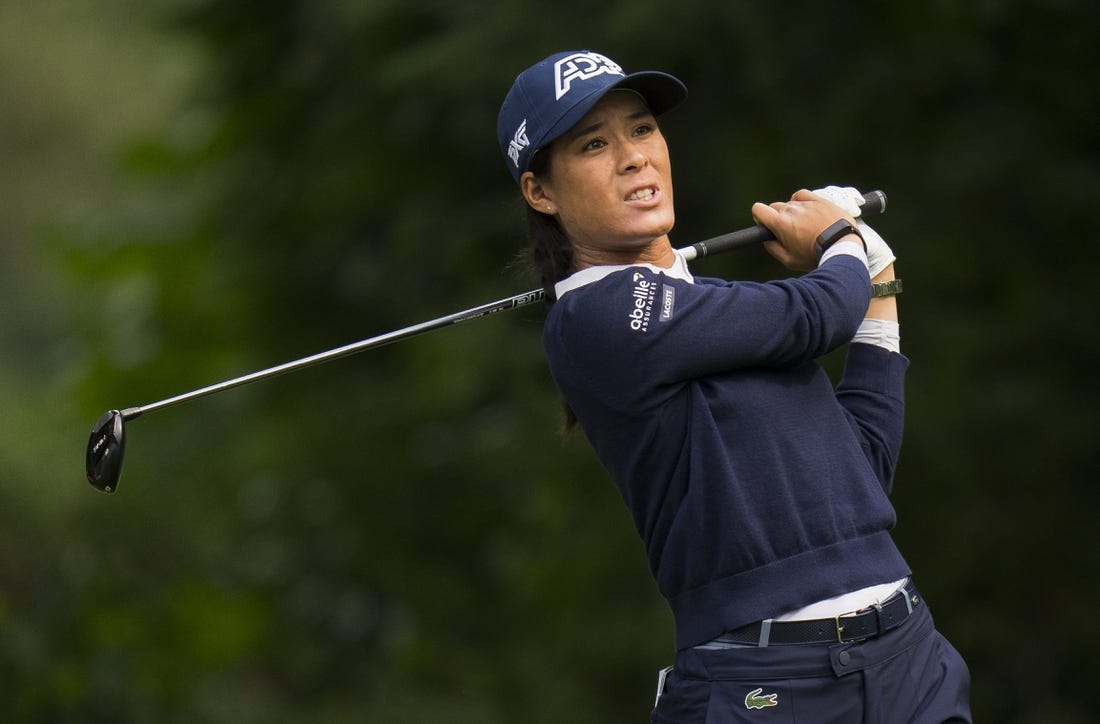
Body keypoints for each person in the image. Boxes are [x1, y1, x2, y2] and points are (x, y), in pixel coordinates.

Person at [496, 50, 971, 722]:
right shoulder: (595, 318)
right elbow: (821, 312)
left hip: (909, 661)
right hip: (769, 687)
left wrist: (880, 281)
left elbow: (863, 474)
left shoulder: (720, 313)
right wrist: (839, 236)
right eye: (594, 144)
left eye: (641, 129)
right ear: (540, 191)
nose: (633, 157)